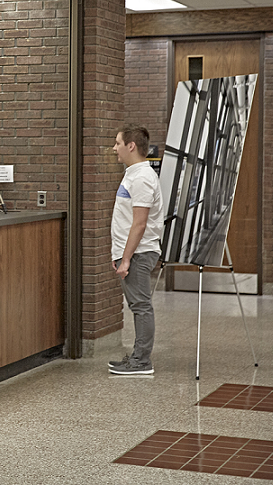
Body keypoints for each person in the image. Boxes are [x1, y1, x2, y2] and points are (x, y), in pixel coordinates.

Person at [108, 124, 164, 376]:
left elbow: (139, 223)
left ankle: (141, 361)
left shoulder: (141, 177)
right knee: (137, 305)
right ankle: (137, 357)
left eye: (118, 143)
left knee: (141, 306)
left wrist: (127, 258)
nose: (114, 148)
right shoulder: (133, 173)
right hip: (131, 252)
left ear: (131, 146)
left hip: (139, 253)